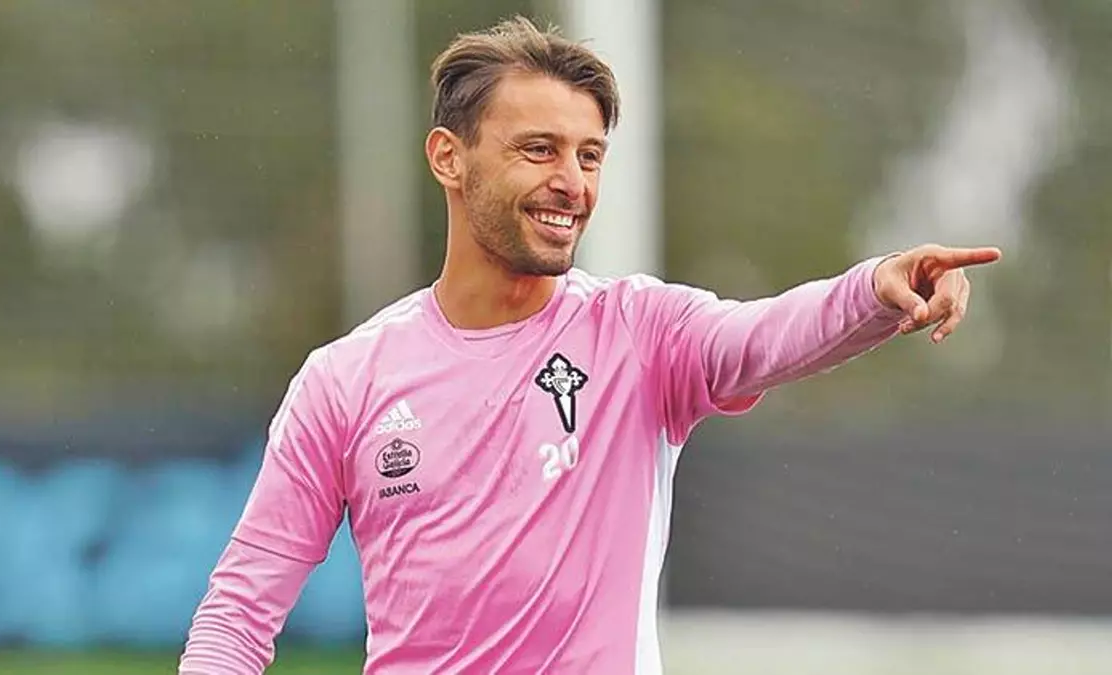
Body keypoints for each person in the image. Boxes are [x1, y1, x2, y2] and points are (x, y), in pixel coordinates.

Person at [178, 15, 1001, 675]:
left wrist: (876, 288)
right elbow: (240, 610)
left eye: (590, 155)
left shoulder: (640, 332)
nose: (572, 182)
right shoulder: (346, 378)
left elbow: (765, 336)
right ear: (449, 159)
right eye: (538, 149)